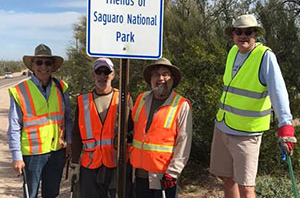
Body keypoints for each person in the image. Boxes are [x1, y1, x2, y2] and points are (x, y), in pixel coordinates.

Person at [209, 14, 297, 198]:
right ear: (233, 34)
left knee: (246, 187)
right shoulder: (233, 52)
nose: (243, 36)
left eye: (248, 32)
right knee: (227, 179)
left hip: (246, 134)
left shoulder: (265, 56)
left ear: (255, 34)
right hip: (223, 126)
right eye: (238, 32)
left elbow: (278, 92)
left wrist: (286, 127)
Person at [7, 44, 73, 198]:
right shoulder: (20, 91)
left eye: (48, 63)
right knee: (30, 194)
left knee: (51, 194)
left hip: (56, 151)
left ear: (53, 67)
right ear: (32, 65)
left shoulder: (61, 87)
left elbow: (68, 119)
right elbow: (14, 126)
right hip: (32, 154)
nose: (43, 67)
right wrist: (16, 156)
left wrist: (69, 143)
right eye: (39, 62)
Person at [130, 58, 193, 198]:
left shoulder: (181, 105)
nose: (160, 78)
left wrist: (173, 173)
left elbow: (184, 142)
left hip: (164, 178)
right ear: (151, 79)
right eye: (156, 74)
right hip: (139, 175)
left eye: (165, 74)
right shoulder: (141, 99)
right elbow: (132, 129)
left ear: (172, 79)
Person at [71, 57, 133, 198]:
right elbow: (76, 134)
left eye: (106, 72)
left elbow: (132, 131)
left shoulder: (124, 98)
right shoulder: (83, 101)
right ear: (93, 75)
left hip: (117, 163)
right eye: (99, 72)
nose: (103, 76)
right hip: (90, 166)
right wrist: (75, 163)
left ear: (113, 75)